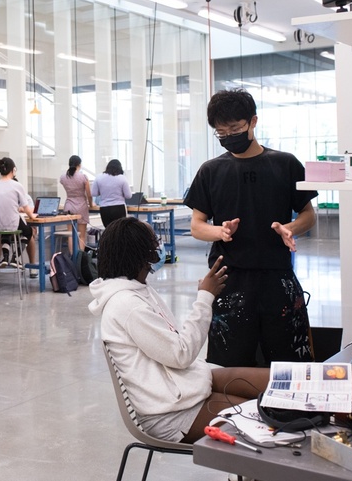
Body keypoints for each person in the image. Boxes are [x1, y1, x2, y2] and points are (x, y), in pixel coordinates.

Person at [89, 216, 270, 444]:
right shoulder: (127, 305)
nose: (158, 246)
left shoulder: (138, 289)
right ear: (139, 254)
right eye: (153, 242)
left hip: (181, 388)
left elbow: (174, 348)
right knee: (264, 417)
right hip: (171, 413)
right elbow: (181, 354)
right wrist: (204, 298)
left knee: (270, 382)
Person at [185, 88, 318, 367]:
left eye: (234, 128)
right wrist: (219, 232)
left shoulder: (285, 164)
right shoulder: (211, 171)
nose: (228, 136)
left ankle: (286, 411)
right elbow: (197, 225)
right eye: (220, 132)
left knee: (289, 362)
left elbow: (308, 214)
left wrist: (290, 228)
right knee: (227, 367)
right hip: (228, 280)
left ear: (253, 121)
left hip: (277, 277)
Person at [0, 157, 37, 266]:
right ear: (13, 170)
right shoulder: (17, 185)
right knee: (28, 232)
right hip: (12, 223)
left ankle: (5, 257)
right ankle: (15, 257)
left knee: (6, 229)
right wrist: (32, 216)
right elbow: (26, 207)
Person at [59, 155, 93, 252]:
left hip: (69, 205)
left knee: (70, 234)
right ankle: (80, 258)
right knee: (81, 235)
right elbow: (89, 194)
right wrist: (91, 204)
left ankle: (72, 258)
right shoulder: (83, 177)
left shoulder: (63, 177)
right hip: (81, 205)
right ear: (79, 164)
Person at [91, 158, 131, 228]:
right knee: (119, 230)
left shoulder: (99, 177)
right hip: (119, 208)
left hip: (104, 209)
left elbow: (94, 193)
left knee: (108, 230)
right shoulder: (122, 178)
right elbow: (128, 195)